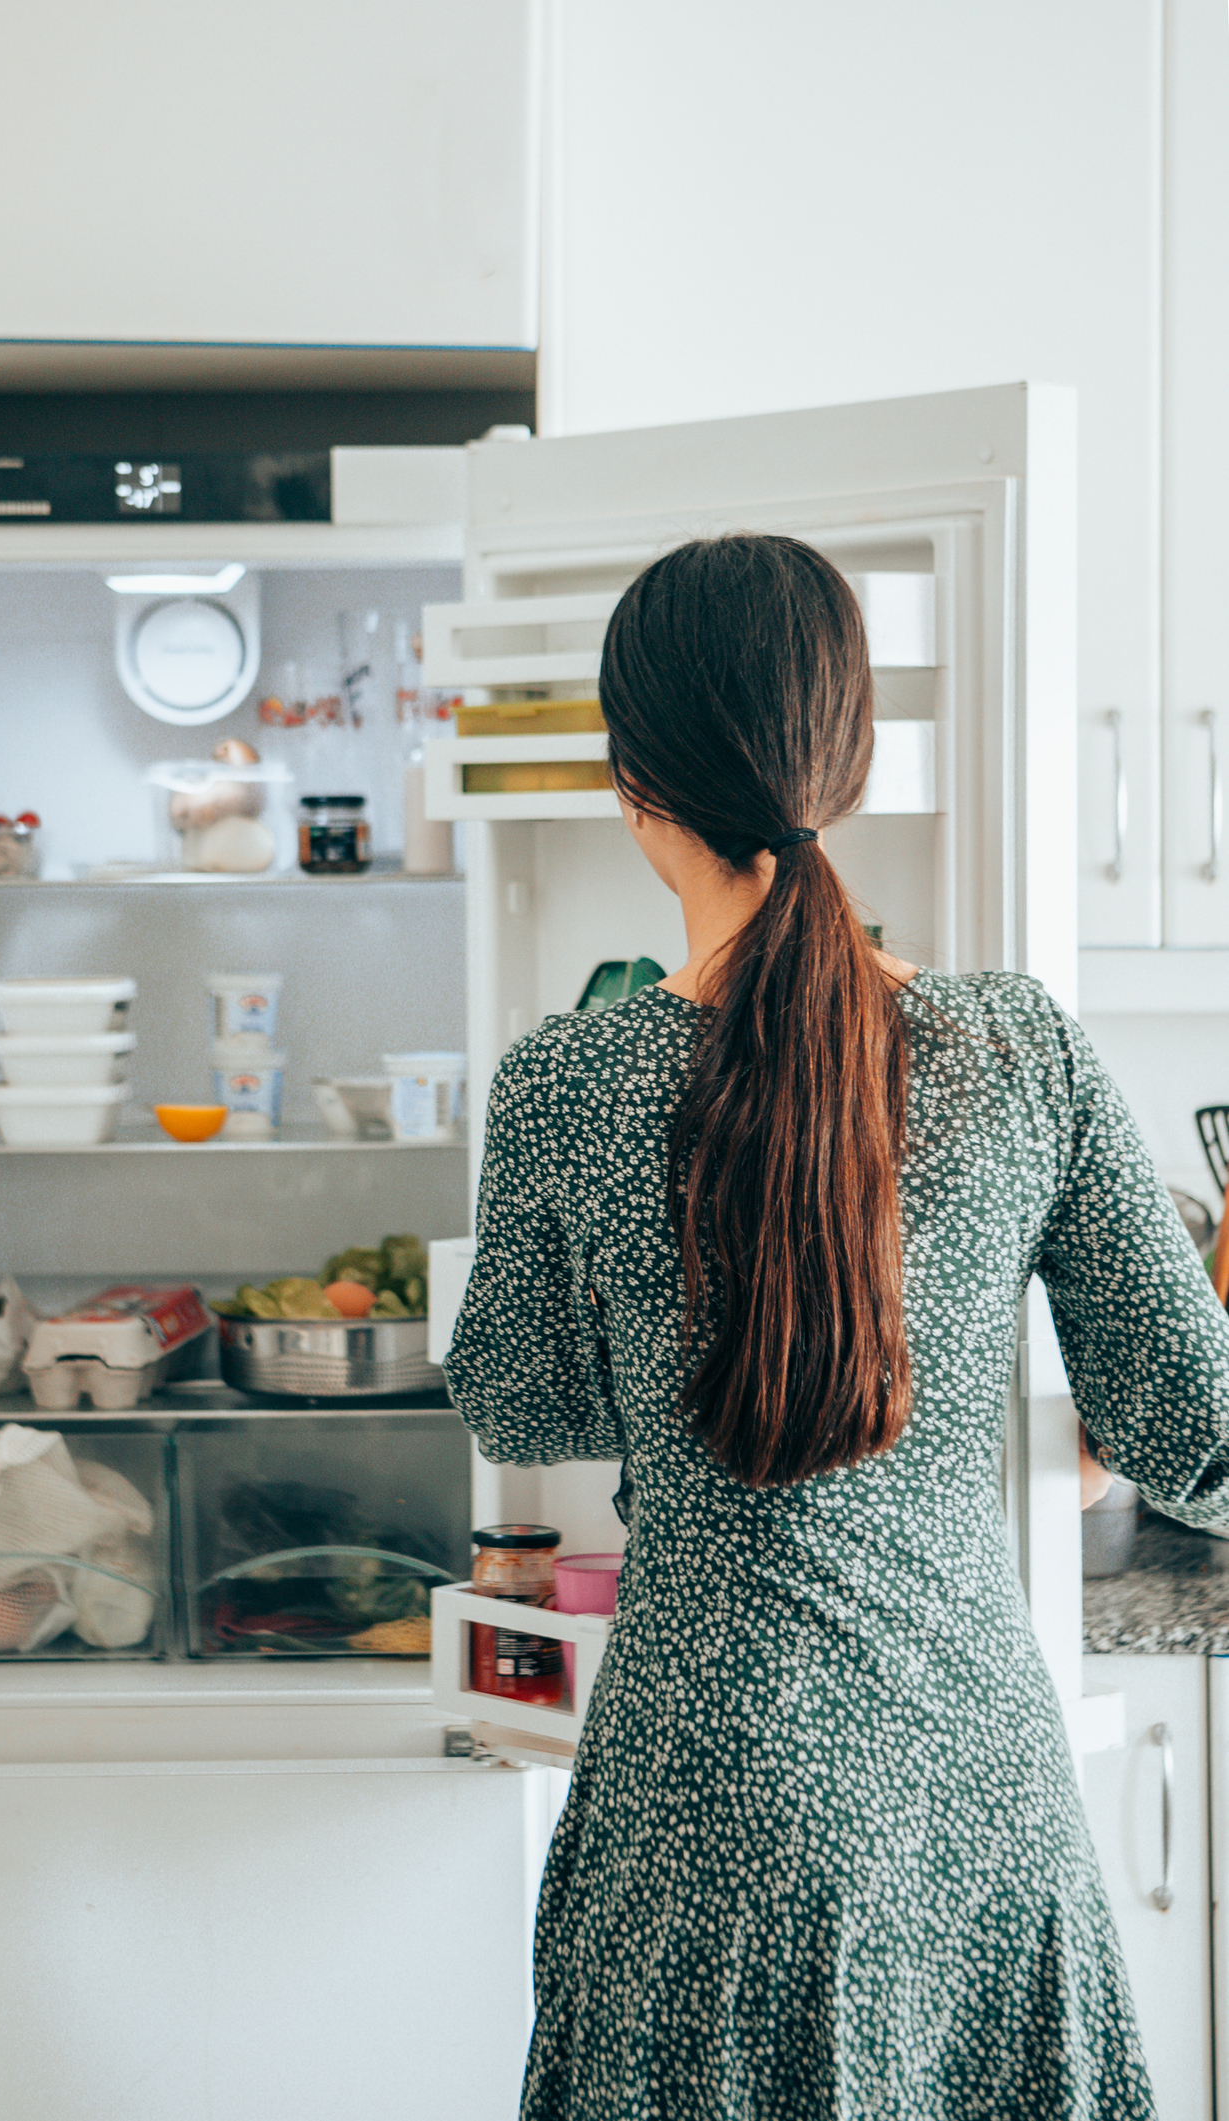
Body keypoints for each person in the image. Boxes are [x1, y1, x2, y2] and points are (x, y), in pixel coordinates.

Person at [443, 534, 1229, 2119]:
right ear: (846, 760)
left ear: (628, 777)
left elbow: (518, 1405)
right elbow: (1199, 1440)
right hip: (973, 1795)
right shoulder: (1019, 1050)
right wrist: (1010, 1440)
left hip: (703, 1805)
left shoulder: (569, 1082)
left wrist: (690, 1384)